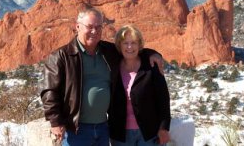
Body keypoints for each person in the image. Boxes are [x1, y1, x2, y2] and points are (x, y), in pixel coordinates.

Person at [39, 8, 163, 146]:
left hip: (103, 127)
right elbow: (49, 91)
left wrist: (152, 53)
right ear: (77, 26)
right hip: (76, 129)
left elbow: (130, 50)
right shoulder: (61, 56)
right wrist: (55, 121)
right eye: (90, 27)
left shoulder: (108, 51)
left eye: (98, 27)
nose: (94, 31)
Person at [109, 25, 171, 146]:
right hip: (120, 134)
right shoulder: (112, 66)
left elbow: (163, 98)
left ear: (140, 45)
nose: (130, 47)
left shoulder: (151, 66)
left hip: (149, 133)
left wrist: (164, 127)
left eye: (134, 43)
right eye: (125, 43)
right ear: (119, 45)